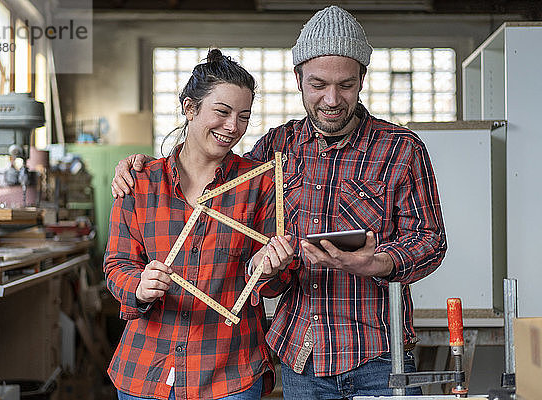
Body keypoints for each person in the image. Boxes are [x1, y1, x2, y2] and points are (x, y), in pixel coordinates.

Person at [111, 6, 447, 399]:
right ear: (299, 79)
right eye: (318, 84)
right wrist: (138, 166)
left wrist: (377, 262)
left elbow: (431, 241)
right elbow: (210, 163)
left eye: (346, 85)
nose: (332, 99)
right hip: (300, 355)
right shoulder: (275, 149)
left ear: (362, 80)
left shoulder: (401, 149)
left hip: (377, 354)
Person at [104, 49, 294, 400]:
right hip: (146, 371)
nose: (232, 127)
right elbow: (117, 264)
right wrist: (139, 286)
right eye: (221, 112)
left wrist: (266, 268)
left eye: (243, 116)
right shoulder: (140, 180)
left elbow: (273, 283)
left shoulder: (258, 183)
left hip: (229, 373)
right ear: (190, 109)